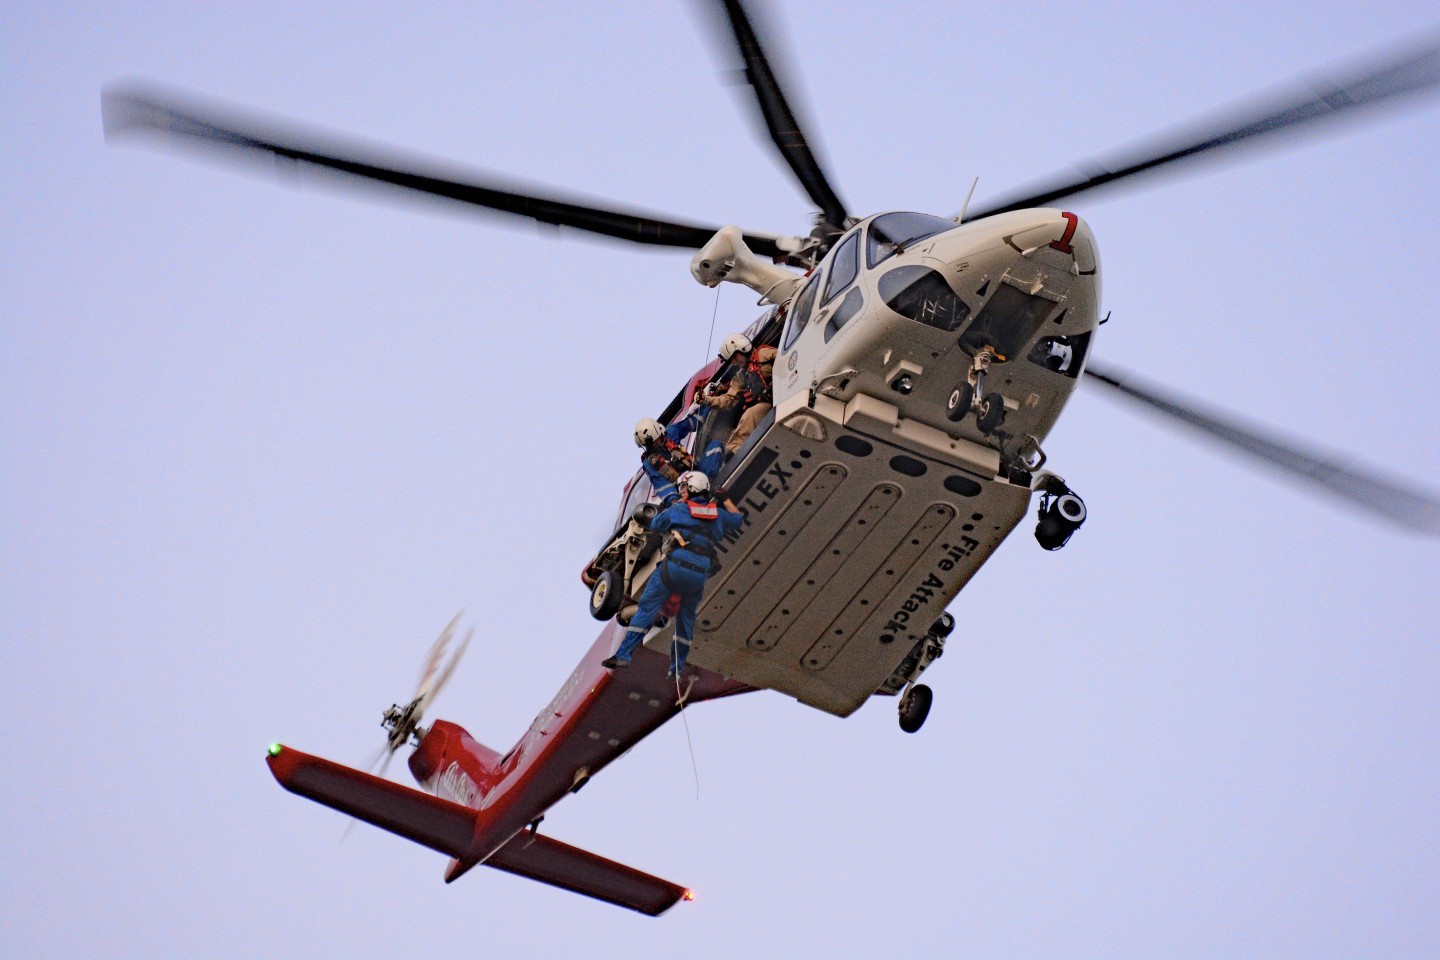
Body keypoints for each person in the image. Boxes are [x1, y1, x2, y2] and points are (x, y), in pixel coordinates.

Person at [601, 471, 744, 679]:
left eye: (685, 488)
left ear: (693, 489)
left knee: (647, 608)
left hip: (675, 566)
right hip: (699, 573)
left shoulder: (680, 509)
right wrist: (725, 499)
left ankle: (623, 655)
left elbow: (657, 524)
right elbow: (737, 519)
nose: (682, 492)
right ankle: (676, 668)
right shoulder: (718, 515)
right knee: (686, 620)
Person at [635, 403, 724, 506]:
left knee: (716, 446)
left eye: (656, 441)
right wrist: (674, 501)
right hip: (684, 489)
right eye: (650, 444)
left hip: (700, 473)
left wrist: (708, 403)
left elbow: (693, 421)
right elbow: (661, 484)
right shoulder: (649, 463)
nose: (655, 445)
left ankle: (710, 484)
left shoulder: (671, 433)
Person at [704, 332, 777, 456]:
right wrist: (707, 400)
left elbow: (786, 358)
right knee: (750, 414)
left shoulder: (763, 353)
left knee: (751, 413)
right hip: (769, 403)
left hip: (785, 387)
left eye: (735, 357)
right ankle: (735, 452)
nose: (734, 362)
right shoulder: (741, 376)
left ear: (743, 349)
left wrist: (775, 383)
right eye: (731, 360)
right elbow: (728, 399)